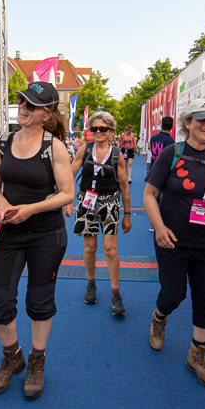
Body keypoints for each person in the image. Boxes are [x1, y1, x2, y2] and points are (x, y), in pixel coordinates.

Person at [0, 81, 74, 399]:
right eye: (21, 101)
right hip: (9, 232)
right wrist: (3, 204)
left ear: (46, 114)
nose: (22, 107)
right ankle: (12, 356)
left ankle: (37, 360)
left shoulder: (54, 147)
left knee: (39, 301)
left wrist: (30, 209)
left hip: (46, 234)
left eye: (31, 105)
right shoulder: (5, 141)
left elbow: (67, 193)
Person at [143, 99, 205, 390]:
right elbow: (149, 194)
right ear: (187, 123)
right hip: (172, 239)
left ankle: (198, 353)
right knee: (174, 294)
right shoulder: (172, 153)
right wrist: (159, 227)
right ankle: (160, 317)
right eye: (201, 119)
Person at [67, 111, 131, 315]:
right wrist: (65, 198)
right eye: (94, 128)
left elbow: (124, 185)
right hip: (86, 202)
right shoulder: (85, 150)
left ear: (111, 131)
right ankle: (91, 283)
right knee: (90, 247)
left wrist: (127, 214)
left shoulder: (117, 154)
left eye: (103, 128)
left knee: (110, 248)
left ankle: (115, 293)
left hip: (110, 203)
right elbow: (69, 174)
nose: (98, 132)